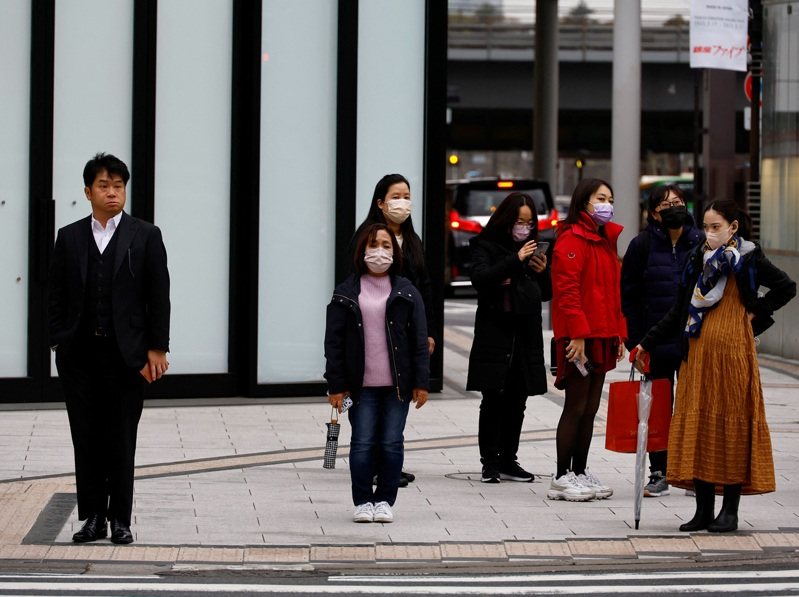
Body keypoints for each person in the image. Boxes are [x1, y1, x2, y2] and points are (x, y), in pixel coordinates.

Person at [634, 200, 795, 532]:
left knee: (730, 426)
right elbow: (679, 309)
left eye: (716, 227)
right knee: (699, 427)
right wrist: (646, 341)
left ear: (733, 227)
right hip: (696, 353)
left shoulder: (748, 256)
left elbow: (786, 287)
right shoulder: (697, 258)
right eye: (706, 227)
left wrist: (753, 314)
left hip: (733, 356)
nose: (709, 233)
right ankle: (703, 509)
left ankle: (730, 511)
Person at [48, 153, 170, 544]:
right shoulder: (68, 237)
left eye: (118, 186)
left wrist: (157, 348)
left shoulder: (145, 235)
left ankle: (121, 519)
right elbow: (55, 294)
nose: (113, 192)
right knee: (86, 437)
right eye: (104, 186)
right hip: (79, 356)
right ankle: (93, 517)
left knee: (120, 436)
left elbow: (158, 296)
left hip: (127, 356)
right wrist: (58, 339)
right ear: (88, 192)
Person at [325, 223, 430, 523]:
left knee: (391, 442)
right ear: (362, 250)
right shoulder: (346, 291)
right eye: (373, 245)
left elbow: (418, 341)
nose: (379, 251)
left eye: (386, 245)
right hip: (361, 386)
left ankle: (384, 500)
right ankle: (362, 501)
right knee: (362, 443)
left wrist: (421, 382)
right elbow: (333, 343)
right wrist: (336, 384)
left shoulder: (407, 291)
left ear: (394, 252)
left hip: (397, 385)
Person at [620, 185, 704, 497]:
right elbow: (628, 296)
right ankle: (660, 471)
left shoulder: (699, 242)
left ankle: (693, 470)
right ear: (654, 211)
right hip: (654, 340)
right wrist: (635, 342)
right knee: (658, 408)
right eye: (666, 204)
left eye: (678, 202)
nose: (673, 208)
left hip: (693, 340)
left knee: (692, 406)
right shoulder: (641, 245)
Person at [352, 173, 435, 488]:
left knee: (397, 398)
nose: (403, 203)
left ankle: (388, 462)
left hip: (406, 333)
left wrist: (427, 333)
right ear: (380, 203)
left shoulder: (413, 241)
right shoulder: (367, 239)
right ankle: (373, 464)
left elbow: (424, 287)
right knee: (370, 403)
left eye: (407, 196)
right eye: (396, 197)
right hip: (374, 332)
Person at [465, 192, 552, 484]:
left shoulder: (533, 251)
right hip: (495, 334)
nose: (524, 228)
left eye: (529, 223)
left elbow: (547, 293)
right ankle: (489, 461)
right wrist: (516, 260)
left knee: (518, 399)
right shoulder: (486, 246)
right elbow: (481, 279)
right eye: (519, 221)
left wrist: (542, 272)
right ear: (506, 219)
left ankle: (508, 459)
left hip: (525, 335)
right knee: (493, 398)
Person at [549, 178, 626, 502]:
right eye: (601, 198)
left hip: (603, 335)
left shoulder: (604, 240)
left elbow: (614, 292)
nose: (607, 204)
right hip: (580, 338)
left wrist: (620, 334)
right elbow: (567, 292)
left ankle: (580, 472)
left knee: (591, 408)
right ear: (584, 202)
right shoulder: (571, 239)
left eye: (610, 198)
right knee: (576, 406)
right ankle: (562, 476)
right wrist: (577, 335)